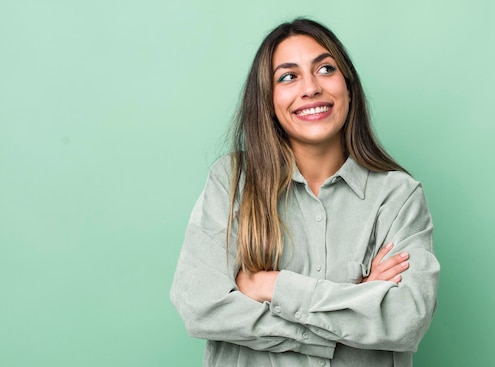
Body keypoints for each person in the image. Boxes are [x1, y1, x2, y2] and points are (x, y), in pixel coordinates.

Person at [170, 18, 439, 367]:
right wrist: (355, 303)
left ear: (349, 87)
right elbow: (200, 306)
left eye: (325, 69)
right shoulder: (232, 181)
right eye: (288, 76)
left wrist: (273, 286)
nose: (310, 88)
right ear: (267, 100)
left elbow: (406, 319)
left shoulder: (398, 196)